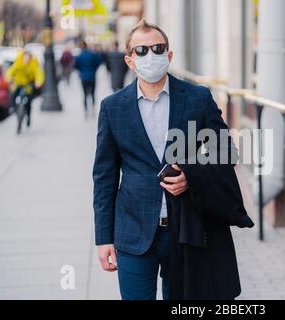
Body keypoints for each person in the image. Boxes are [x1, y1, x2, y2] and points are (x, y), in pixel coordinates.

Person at [93, 19, 253, 301]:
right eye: (141, 51)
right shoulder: (112, 107)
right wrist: (103, 237)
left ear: (169, 55)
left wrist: (191, 177)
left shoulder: (198, 97)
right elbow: (105, 177)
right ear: (130, 60)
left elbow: (226, 152)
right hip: (132, 231)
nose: (150, 55)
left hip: (186, 230)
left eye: (157, 48)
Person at [6, 49, 44, 131]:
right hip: (18, 83)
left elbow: (38, 73)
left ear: (30, 58)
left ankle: (28, 117)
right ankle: (12, 107)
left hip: (28, 85)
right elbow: (10, 71)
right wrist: (9, 78)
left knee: (29, 101)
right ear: (23, 57)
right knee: (13, 94)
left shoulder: (33, 64)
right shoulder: (18, 63)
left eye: (28, 57)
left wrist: (38, 82)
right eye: (25, 57)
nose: (26, 59)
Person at [74, 41, 103, 114]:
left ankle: (86, 110)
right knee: (93, 93)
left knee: (84, 94)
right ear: (86, 46)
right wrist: (94, 70)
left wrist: (81, 70)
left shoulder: (79, 55)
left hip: (83, 77)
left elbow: (75, 66)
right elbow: (98, 63)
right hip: (92, 76)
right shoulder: (92, 54)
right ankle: (93, 108)